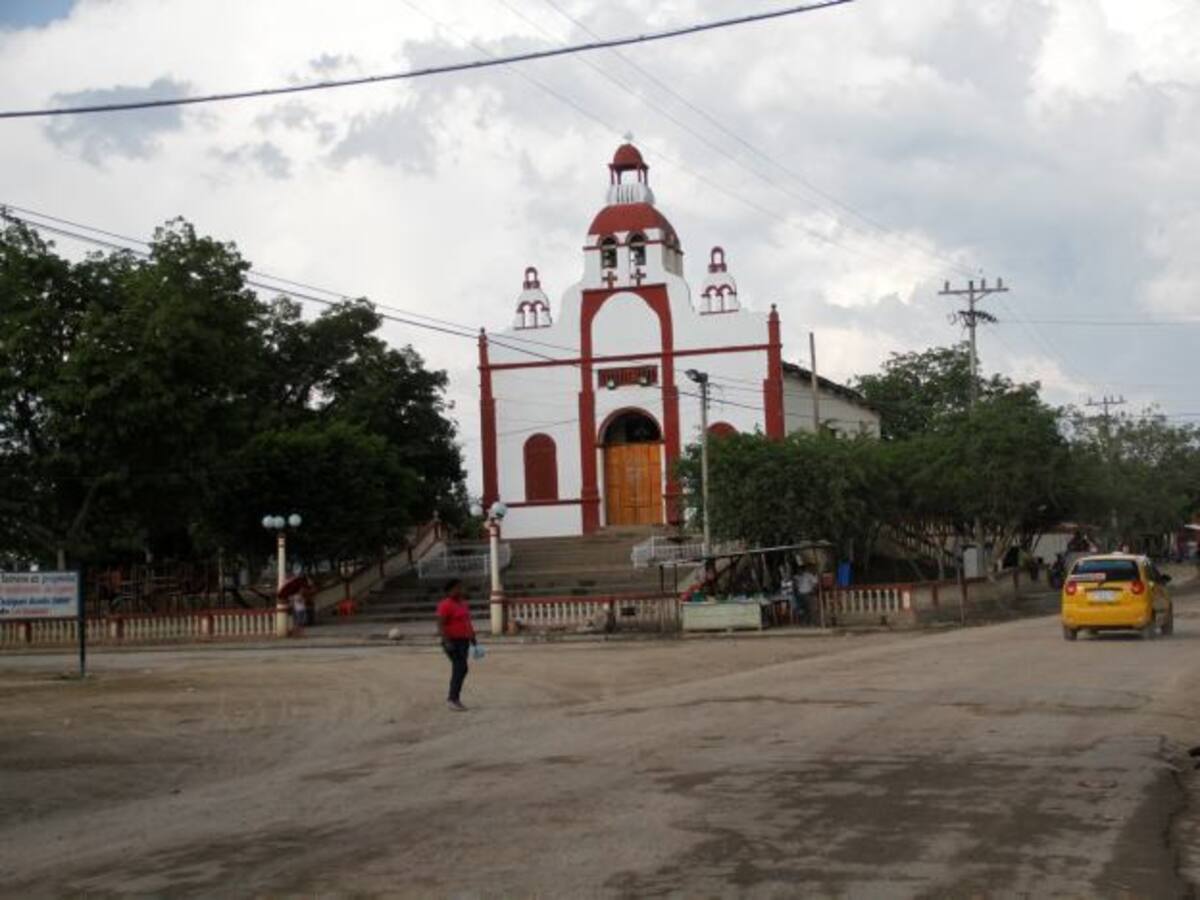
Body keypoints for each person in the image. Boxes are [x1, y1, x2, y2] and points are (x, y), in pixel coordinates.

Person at [436, 578, 477, 711]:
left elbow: (467, 621)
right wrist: (446, 641)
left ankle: (454, 698)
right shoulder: (445, 605)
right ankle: (452, 699)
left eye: (460, 588)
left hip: (463, 640)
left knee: (461, 668)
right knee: (460, 667)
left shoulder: (463, 604)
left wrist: (472, 636)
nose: (459, 590)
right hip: (452, 641)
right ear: (449, 591)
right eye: (456, 588)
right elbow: (440, 624)